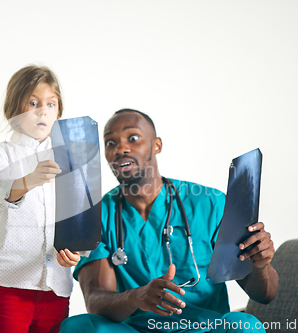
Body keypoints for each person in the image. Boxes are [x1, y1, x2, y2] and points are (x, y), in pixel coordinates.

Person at [60, 109, 278, 333]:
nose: (121, 149)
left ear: (157, 145)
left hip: (205, 329)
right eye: (110, 143)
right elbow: (96, 300)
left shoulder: (210, 204)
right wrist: (137, 297)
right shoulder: (97, 216)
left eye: (132, 138)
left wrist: (262, 266)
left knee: (244, 326)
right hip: (136, 330)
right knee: (79, 327)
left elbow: (265, 295)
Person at [0, 65, 82, 333]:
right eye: (33, 103)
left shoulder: (70, 158)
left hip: (56, 285)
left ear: (58, 111)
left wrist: (77, 254)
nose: (43, 111)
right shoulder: (1, 153)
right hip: (12, 282)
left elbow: (78, 217)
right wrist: (29, 179)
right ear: (15, 109)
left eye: (51, 104)